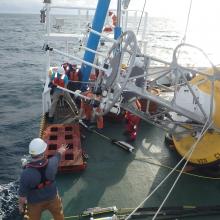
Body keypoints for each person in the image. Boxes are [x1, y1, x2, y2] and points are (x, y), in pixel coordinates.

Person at [18, 138, 67, 220]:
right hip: (53, 198)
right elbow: (59, 154)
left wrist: (20, 207)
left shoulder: (25, 174)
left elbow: (22, 197)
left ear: (31, 154)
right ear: (43, 152)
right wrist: (62, 149)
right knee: (59, 215)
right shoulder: (53, 163)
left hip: (35, 203)